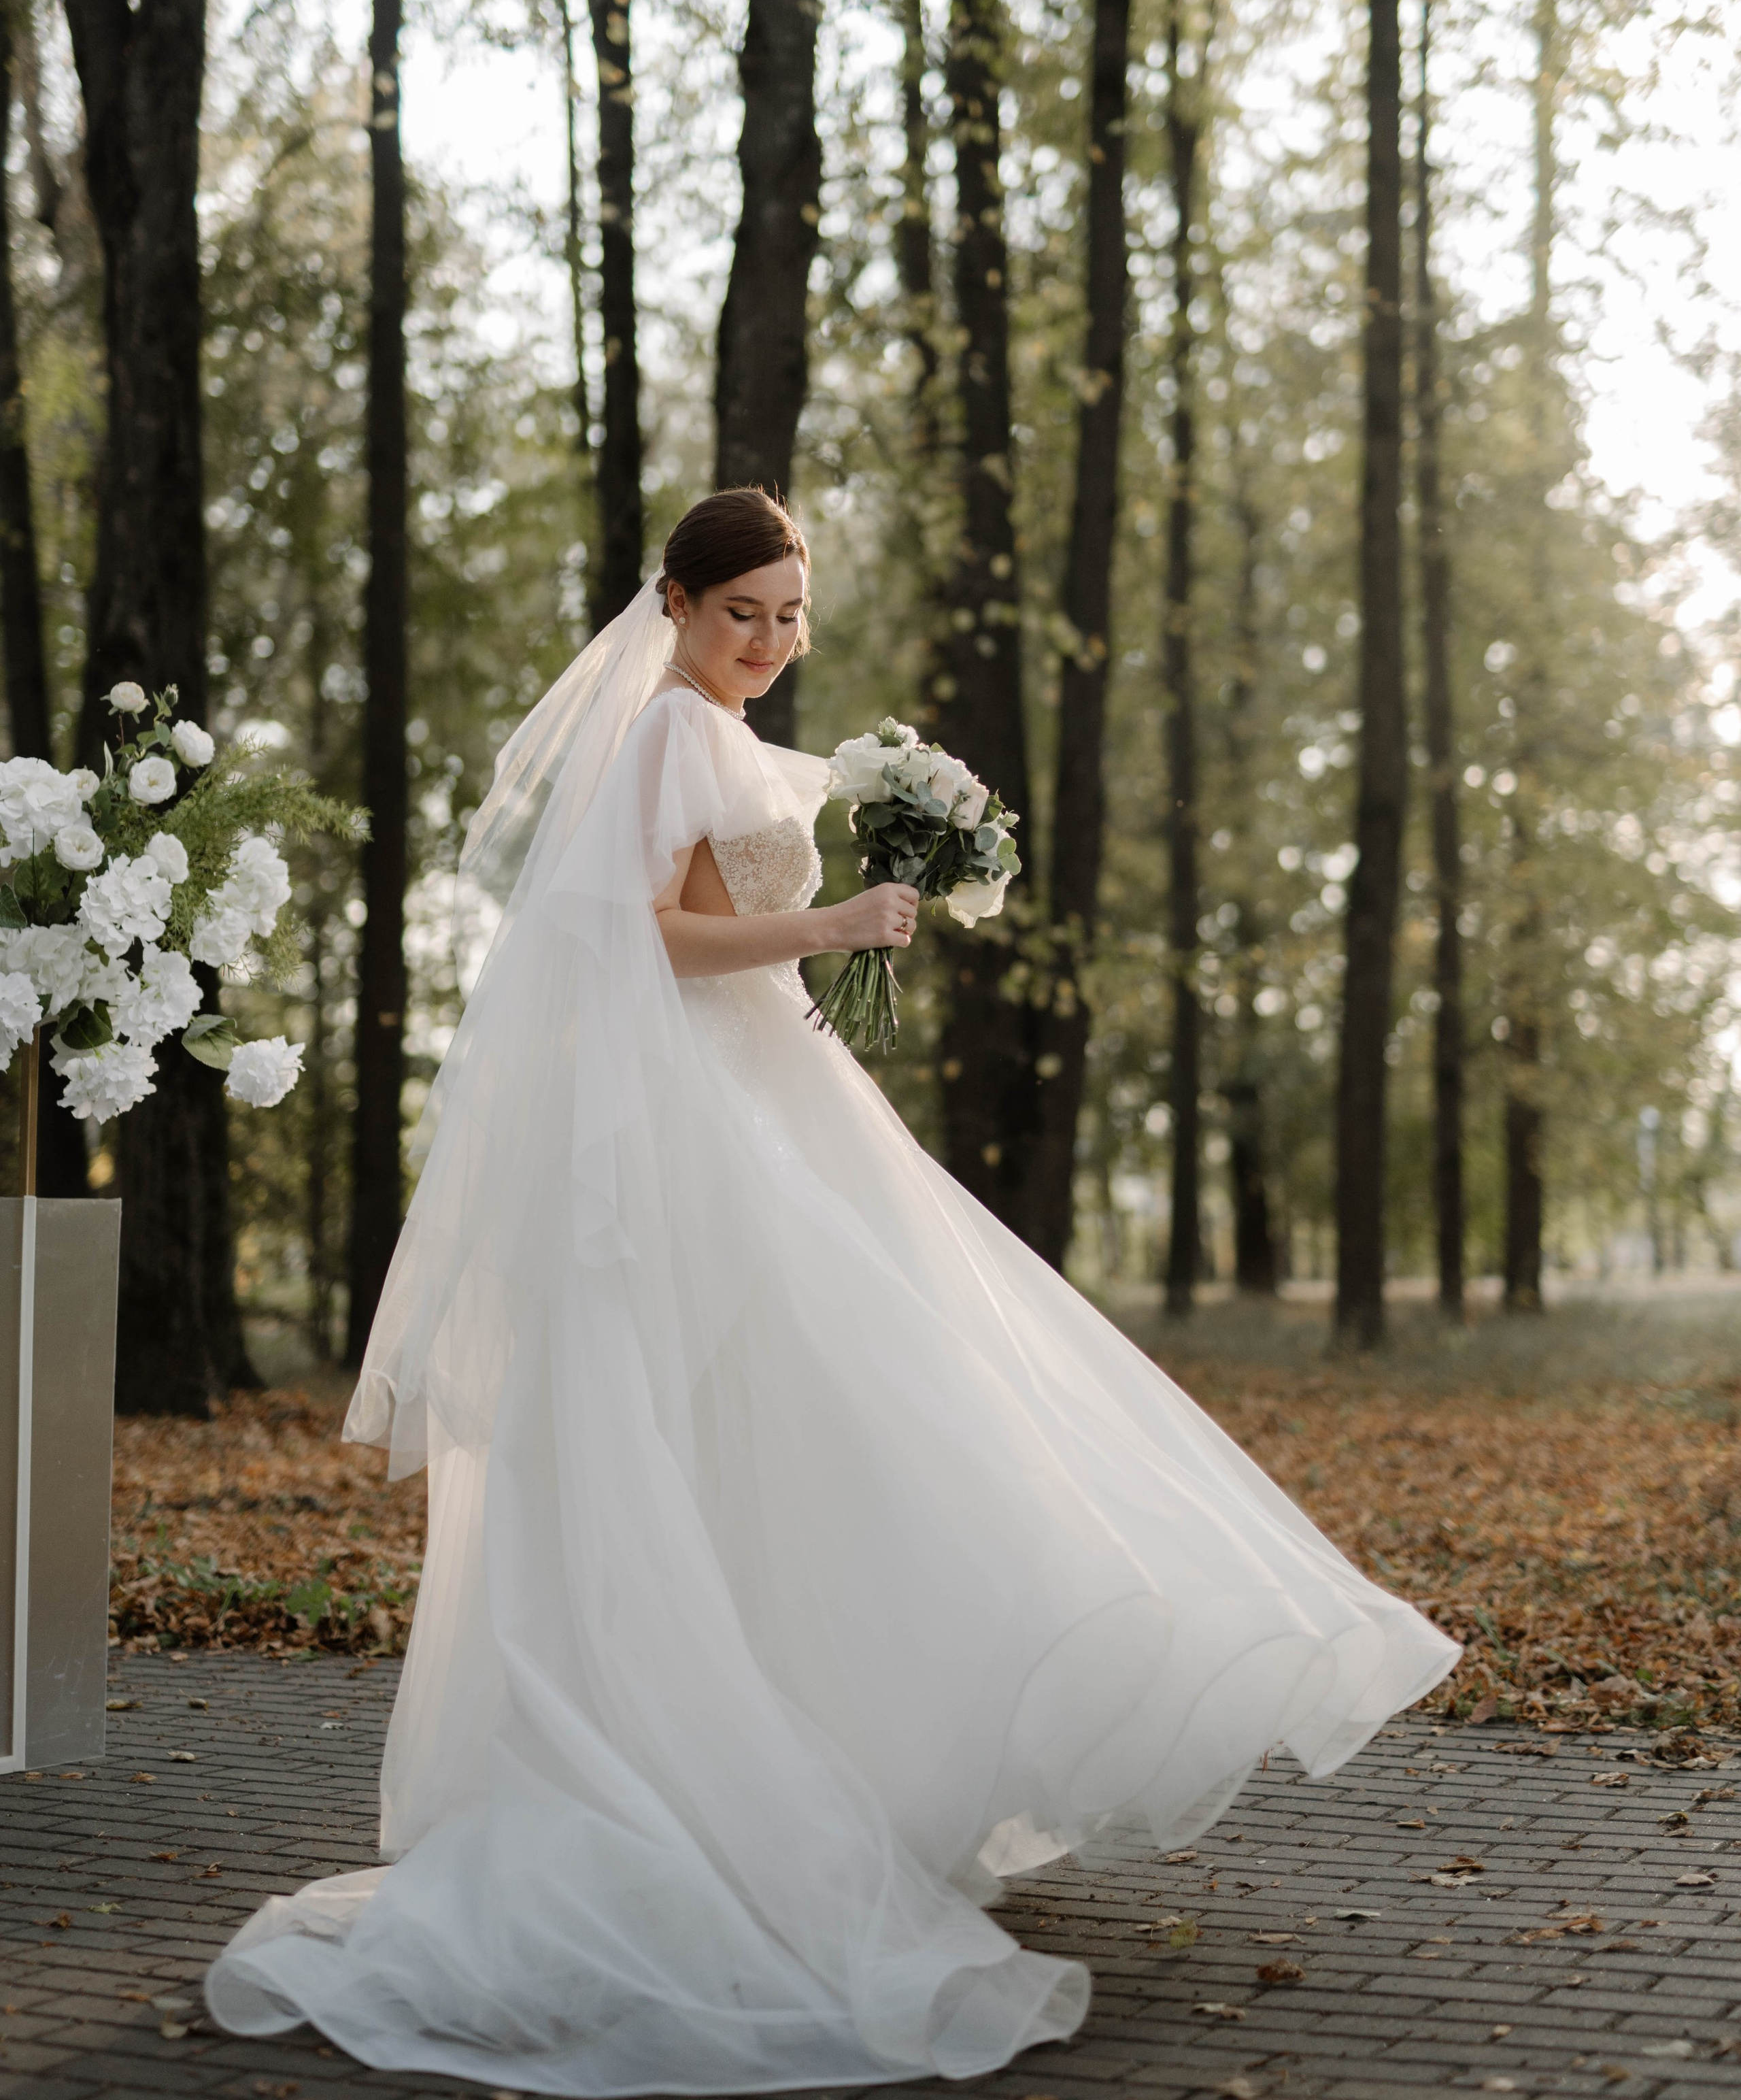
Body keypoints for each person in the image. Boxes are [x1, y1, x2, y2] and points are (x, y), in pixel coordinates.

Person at [206, 487, 1457, 2095]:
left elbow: (722, 920)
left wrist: (860, 898)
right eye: (746, 613)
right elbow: (639, 935)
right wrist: (841, 918)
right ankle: (700, 1788)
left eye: (792, 616)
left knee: (874, 1410)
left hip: (772, 1096)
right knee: (847, 1401)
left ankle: (844, 1764)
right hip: (707, 1122)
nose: (773, 644)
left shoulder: (726, 743)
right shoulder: (667, 736)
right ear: (675, 604)